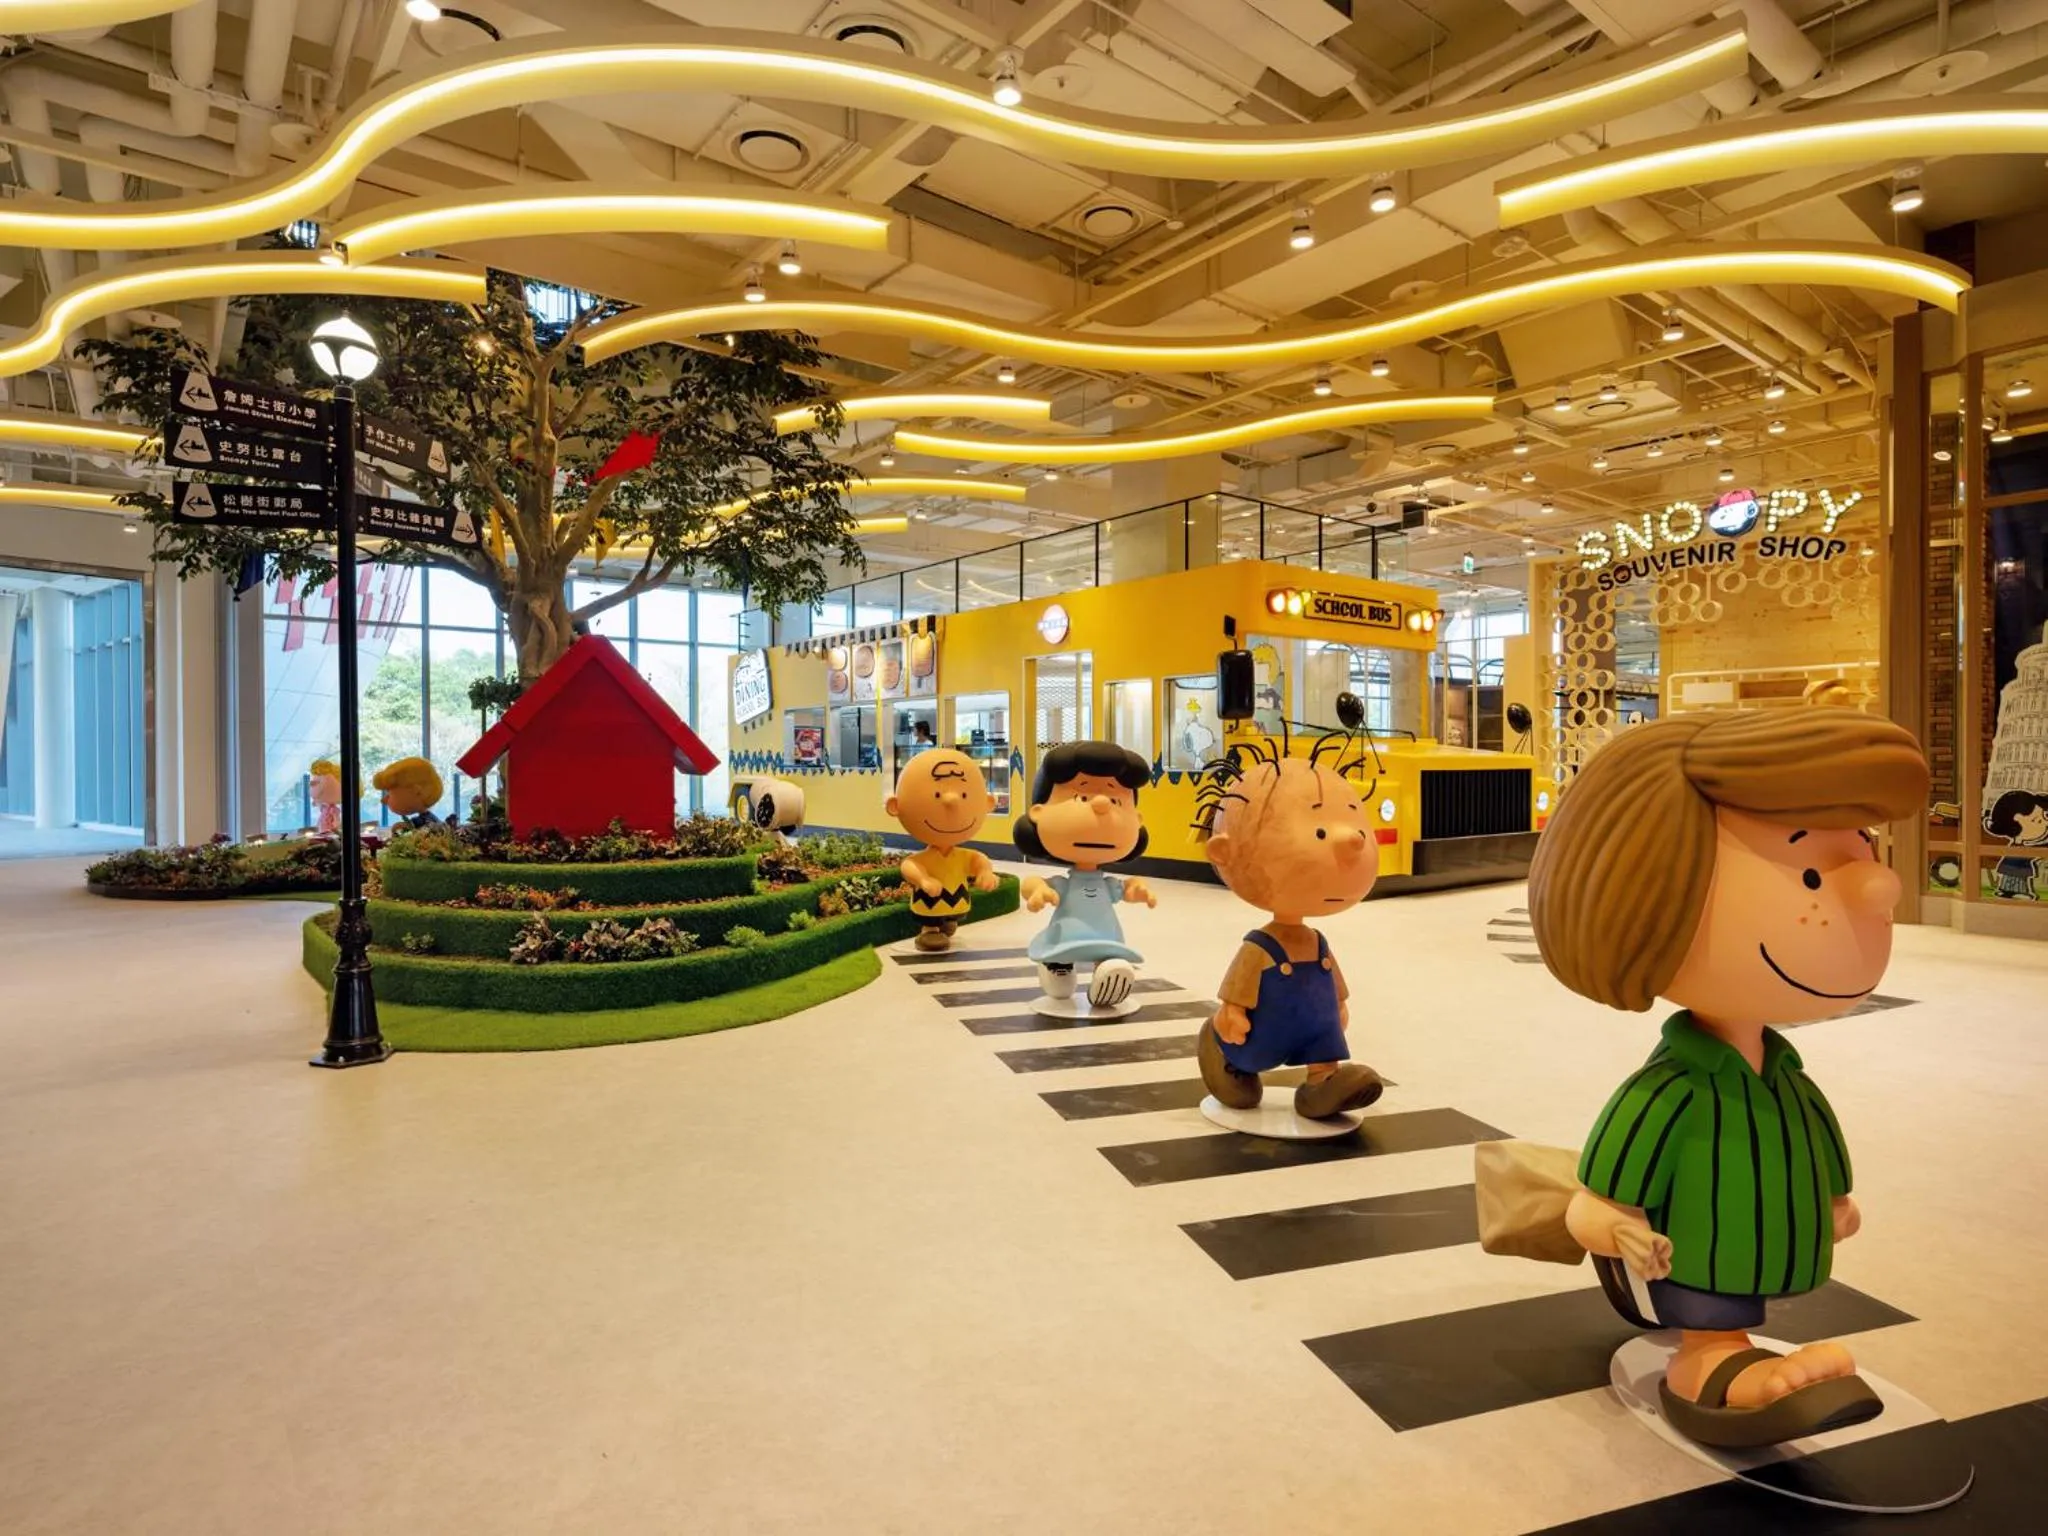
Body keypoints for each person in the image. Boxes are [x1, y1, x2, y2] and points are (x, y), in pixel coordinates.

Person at [1530, 709, 1928, 1450]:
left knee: (1744, 1280)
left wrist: (1833, 1203)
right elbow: (1592, 1203)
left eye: (1864, 851)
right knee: (1713, 1310)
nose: (1879, 889)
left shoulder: (1786, 1076)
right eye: (1810, 873)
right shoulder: (1669, 1091)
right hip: (1688, 1261)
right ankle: (1706, 1360)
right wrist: (1618, 1228)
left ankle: (1726, 1347)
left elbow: (1821, 1150)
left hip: (1754, 1246)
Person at [1192, 735, 1385, 1121]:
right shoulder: (1259, 947)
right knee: (1248, 1050)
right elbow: (1237, 989)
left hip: (1314, 1029)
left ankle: (1322, 1083)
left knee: (1324, 1044)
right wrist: (1231, 1012)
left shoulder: (1316, 942)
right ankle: (1223, 1056)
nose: (1353, 840)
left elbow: (1334, 985)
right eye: (1319, 833)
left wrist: (1339, 1005)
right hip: (1263, 1030)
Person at [1013, 741, 1157, 1008]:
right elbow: (1034, 883)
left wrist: (1136, 889)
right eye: (1082, 797)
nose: (1101, 804)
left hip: (1107, 939)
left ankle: (1109, 972)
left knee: (1112, 959)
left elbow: (1124, 888)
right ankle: (1057, 968)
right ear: (1038, 813)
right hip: (1064, 939)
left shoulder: (1107, 885)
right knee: (1060, 973)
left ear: (1137, 819)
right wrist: (1038, 890)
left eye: (1116, 800)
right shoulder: (1065, 885)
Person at [887, 749, 999, 952]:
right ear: (896, 806)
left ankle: (948, 922)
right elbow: (909, 866)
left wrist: (985, 872)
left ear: (987, 804)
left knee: (951, 912)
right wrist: (923, 880)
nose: (951, 801)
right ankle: (929, 930)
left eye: (964, 795)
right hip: (928, 903)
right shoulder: (924, 858)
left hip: (956, 901)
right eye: (937, 795)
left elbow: (978, 860)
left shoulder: (962, 855)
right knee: (930, 913)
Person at [1984, 787, 2048, 899]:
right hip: (2014, 870)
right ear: (2018, 819)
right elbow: (2031, 852)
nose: (2045, 824)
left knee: (2018, 881)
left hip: (2016, 869)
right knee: (2014, 881)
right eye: (2037, 820)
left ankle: (2011, 892)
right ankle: (2011, 893)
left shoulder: (2020, 845)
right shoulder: (2017, 848)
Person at [373, 757, 447, 829]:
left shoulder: (426, 822)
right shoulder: (426, 820)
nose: (383, 800)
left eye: (389, 794)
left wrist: (404, 826)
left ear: (416, 791)